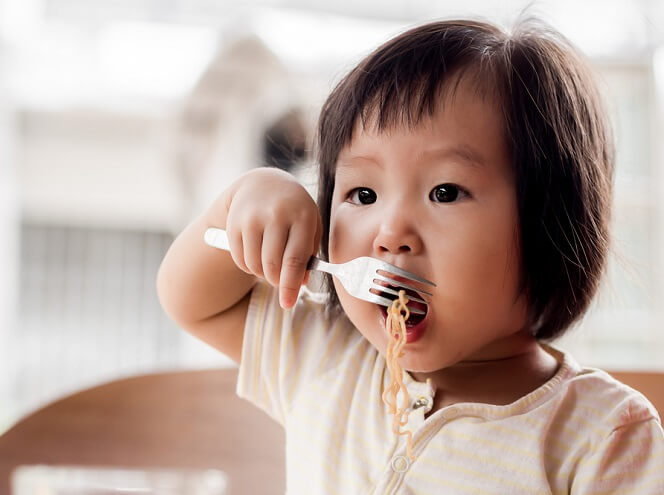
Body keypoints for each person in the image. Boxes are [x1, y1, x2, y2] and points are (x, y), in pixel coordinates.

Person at [157, 18, 664, 493]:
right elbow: (192, 302)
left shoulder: (601, 434)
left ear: (549, 222)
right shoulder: (323, 355)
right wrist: (243, 199)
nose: (390, 232)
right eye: (362, 195)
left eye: (445, 192)